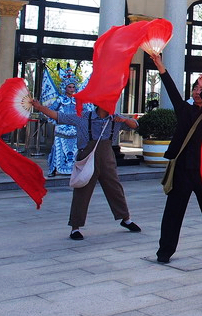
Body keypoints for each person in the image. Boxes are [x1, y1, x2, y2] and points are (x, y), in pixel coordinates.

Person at [31, 98, 140, 240]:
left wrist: (124, 120)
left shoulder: (115, 118)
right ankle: (75, 227)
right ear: (100, 103)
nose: (112, 105)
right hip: (87, 157)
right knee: (82, 190)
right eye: (109, 102)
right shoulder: (83, 117)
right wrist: (39, 107)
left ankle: (125, 219)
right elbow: (59, 116)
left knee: (115, 188)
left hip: (107, 158)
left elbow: (135, 125)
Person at [148, 53, 202, 263]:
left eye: (201, 90)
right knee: (173, 211)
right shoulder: (185, 110)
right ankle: (164, 251)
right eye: (195, 89)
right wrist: (161, 67)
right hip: (182, 170)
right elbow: (171, 90)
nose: (198, 93)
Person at [45, 77, 79, 177]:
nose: (72, 89)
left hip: (75, 130)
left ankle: (74, 170)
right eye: (69, 87)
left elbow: (84, 112)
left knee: (75, 151)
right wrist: (58, 119)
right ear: (65, 88)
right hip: (61, 130)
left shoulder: (78, 100)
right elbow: (50, 111)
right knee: (57, 150)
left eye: (73, 87)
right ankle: (52, 169)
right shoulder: (60, 100)